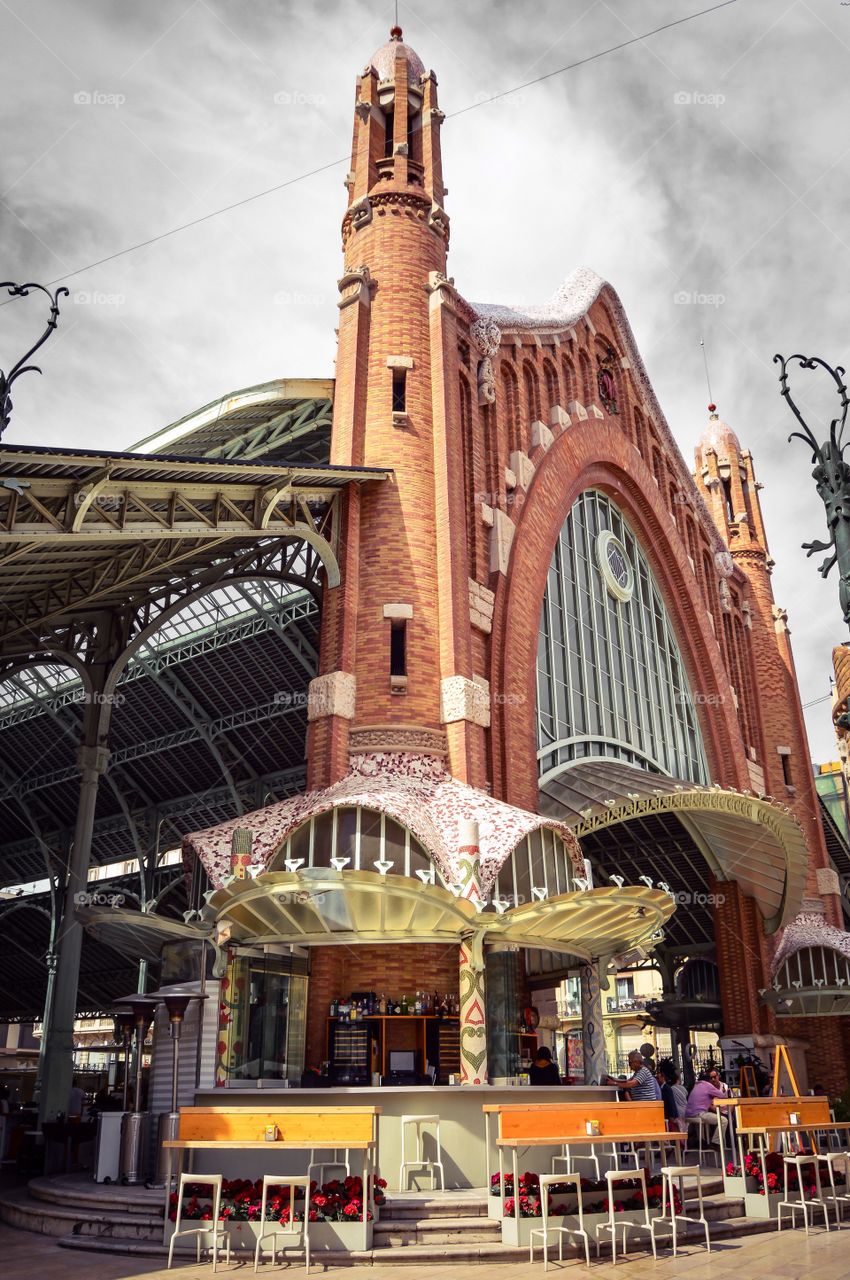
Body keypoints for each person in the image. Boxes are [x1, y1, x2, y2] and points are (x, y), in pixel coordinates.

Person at [685, 1071, 728, 1143]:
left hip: (689, 1115)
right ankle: (715, 1142)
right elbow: (722, 1095)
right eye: (712, 1078)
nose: (713, 1080)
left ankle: (702, 1142)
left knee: (705, 1119)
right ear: (709, 1080)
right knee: (724, 1120)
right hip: (699, 1114)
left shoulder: (696, 1085)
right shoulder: (708, 1085)